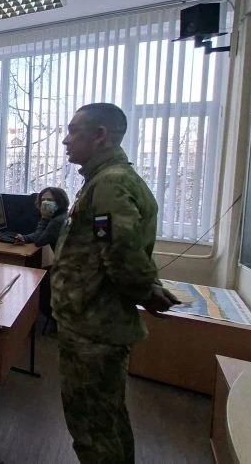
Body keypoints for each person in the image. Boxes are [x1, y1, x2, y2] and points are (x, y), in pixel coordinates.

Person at [51, 103, 179, 463]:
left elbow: (120, 253)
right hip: (93, 321)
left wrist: (145, 291)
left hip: (94, 325)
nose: (65, 140)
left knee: (92, 425)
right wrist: (147, 289)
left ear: (100, 135)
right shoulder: (105, 180)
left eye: (73, 131)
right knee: (106, 418)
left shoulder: (110, 183)